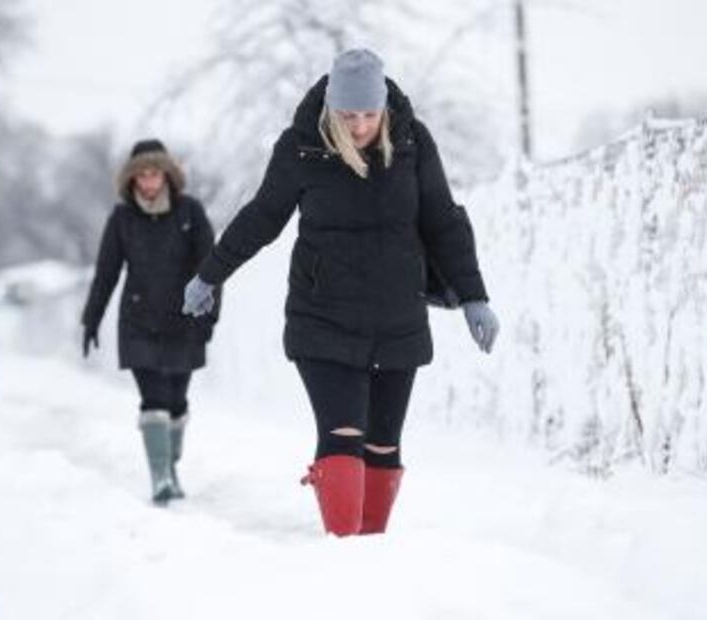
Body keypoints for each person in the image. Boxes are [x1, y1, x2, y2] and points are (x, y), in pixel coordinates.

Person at [182, 49, 498, 536]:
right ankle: (343, 552)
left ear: (383, 108)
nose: (359, 126)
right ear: (332, 108)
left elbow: (441, 220)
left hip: (397, 316)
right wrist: (210, 274)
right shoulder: (302, 146)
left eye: (369, 114)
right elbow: (261, 217)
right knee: (343, 435)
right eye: (348, 115)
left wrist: (475, 296)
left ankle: (370, 556)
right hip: (322, 318)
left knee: (383, 446)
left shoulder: (413, 140)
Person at [81, 139, 219, 506]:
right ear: (132, 179)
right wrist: (91, 318)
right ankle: (160, 477)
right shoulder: (122, 218)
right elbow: (106, 272)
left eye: (154, 173)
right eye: (141, 174)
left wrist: (209, 318)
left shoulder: (190, 212)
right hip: (139, 322)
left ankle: (170, 468)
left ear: (167, 174)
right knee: (153, 399)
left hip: (184, 321)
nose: (148, 181)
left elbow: (212, 269)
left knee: (176, 401)